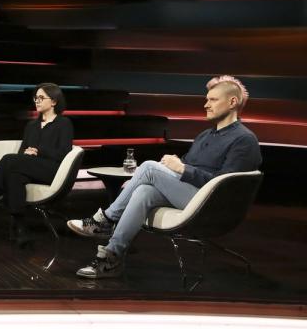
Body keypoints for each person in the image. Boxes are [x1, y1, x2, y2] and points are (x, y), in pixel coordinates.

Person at [68, 75, 262, 278]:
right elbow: (188, 165)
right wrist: (177, 164)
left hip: (212, 204)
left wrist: (182, 169)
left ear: (232, 102)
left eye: (213, 100)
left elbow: (226, 186)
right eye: (207, 99)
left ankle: (105, 220)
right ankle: (112, 257)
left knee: (150, 167)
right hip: (191, 195)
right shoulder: (205, 135)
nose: (206, 105)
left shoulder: (244, 140)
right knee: (144, 191)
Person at [0, 82, 73, 245]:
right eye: (36, 98)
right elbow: (22, 153)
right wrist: (28, 155)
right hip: (29, 168)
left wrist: (39, 151)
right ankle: (21, 229)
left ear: (54, 101)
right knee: (14, 174)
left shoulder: (64, 124)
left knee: (8, 159)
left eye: (42, 98)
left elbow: (63, 153)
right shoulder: (31, 125)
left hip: (51, 170)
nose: (37, 101)